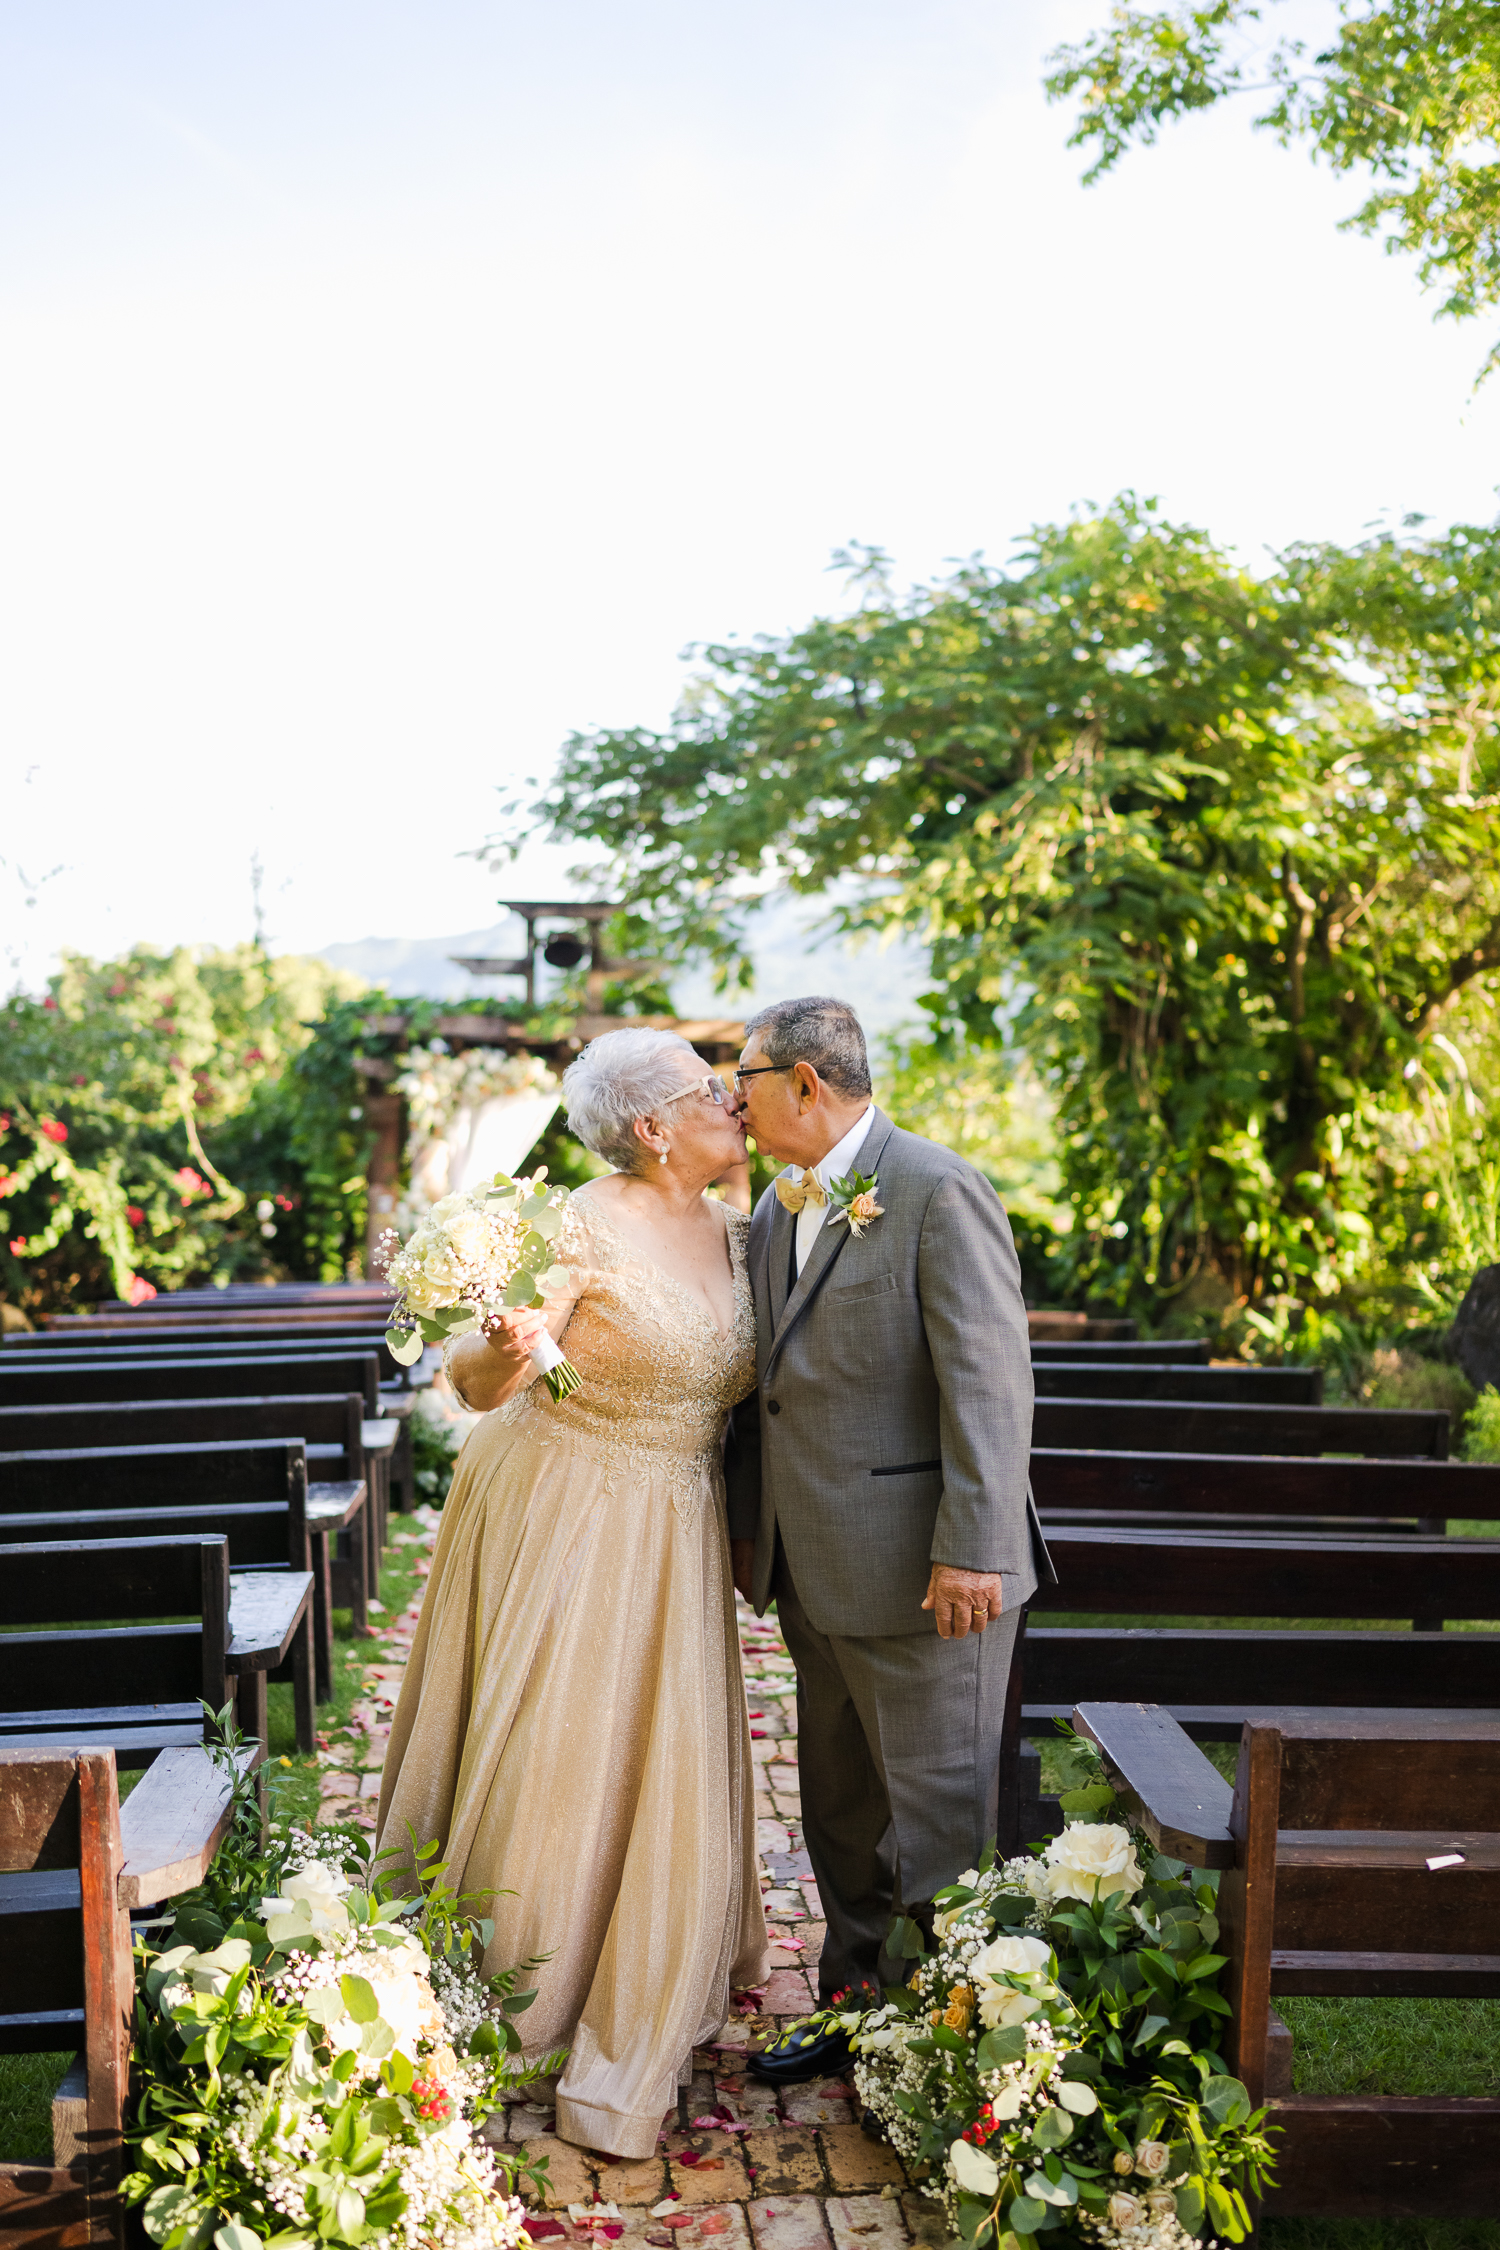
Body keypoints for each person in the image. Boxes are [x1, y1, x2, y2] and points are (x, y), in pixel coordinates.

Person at [376, 1026, 769, 2159]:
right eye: (711, 1090)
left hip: (676, 1508)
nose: (735, 1101)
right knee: (563, 1747)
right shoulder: (575, 1225)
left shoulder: (743, 1231)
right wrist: (512, 1340)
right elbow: (476, 1380)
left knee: (661, 1750)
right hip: (569, 1500)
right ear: (652, 1126)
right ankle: (524, 1990)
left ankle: (650, 1958)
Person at [724, 996, 1051, 2085]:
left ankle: (955, 2049)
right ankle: (859, 2009)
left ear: (805, 1084)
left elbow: (991, 1385)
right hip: (814, 1571)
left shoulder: (934, 1189)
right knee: (844, 1813)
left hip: (928, 1577)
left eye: (747, 1080)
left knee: (941, 1822)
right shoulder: (778, 1208)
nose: (735, 1100)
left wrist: (975, 1548)